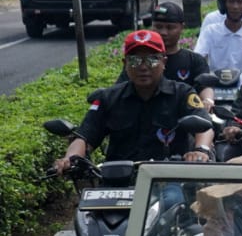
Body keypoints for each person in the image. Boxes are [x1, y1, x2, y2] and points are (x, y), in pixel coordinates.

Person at [53, 29, 215, 174]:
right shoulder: (109, 98)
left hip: (167, 179)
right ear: (125, 64)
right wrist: (70, 158)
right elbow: (85, 136)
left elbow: (205, 127)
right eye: (134, 60)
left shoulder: (182, 94)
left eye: (152, 60)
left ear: (164, 62)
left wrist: (201, 150)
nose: (143, 67)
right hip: (117, 181)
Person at [121, 1, 213, 109]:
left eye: (170, 28)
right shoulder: (137, 63)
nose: (164, 32)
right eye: (158, 27)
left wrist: (207, 101)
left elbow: (205, 87)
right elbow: (120, 89)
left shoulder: (194, 61)